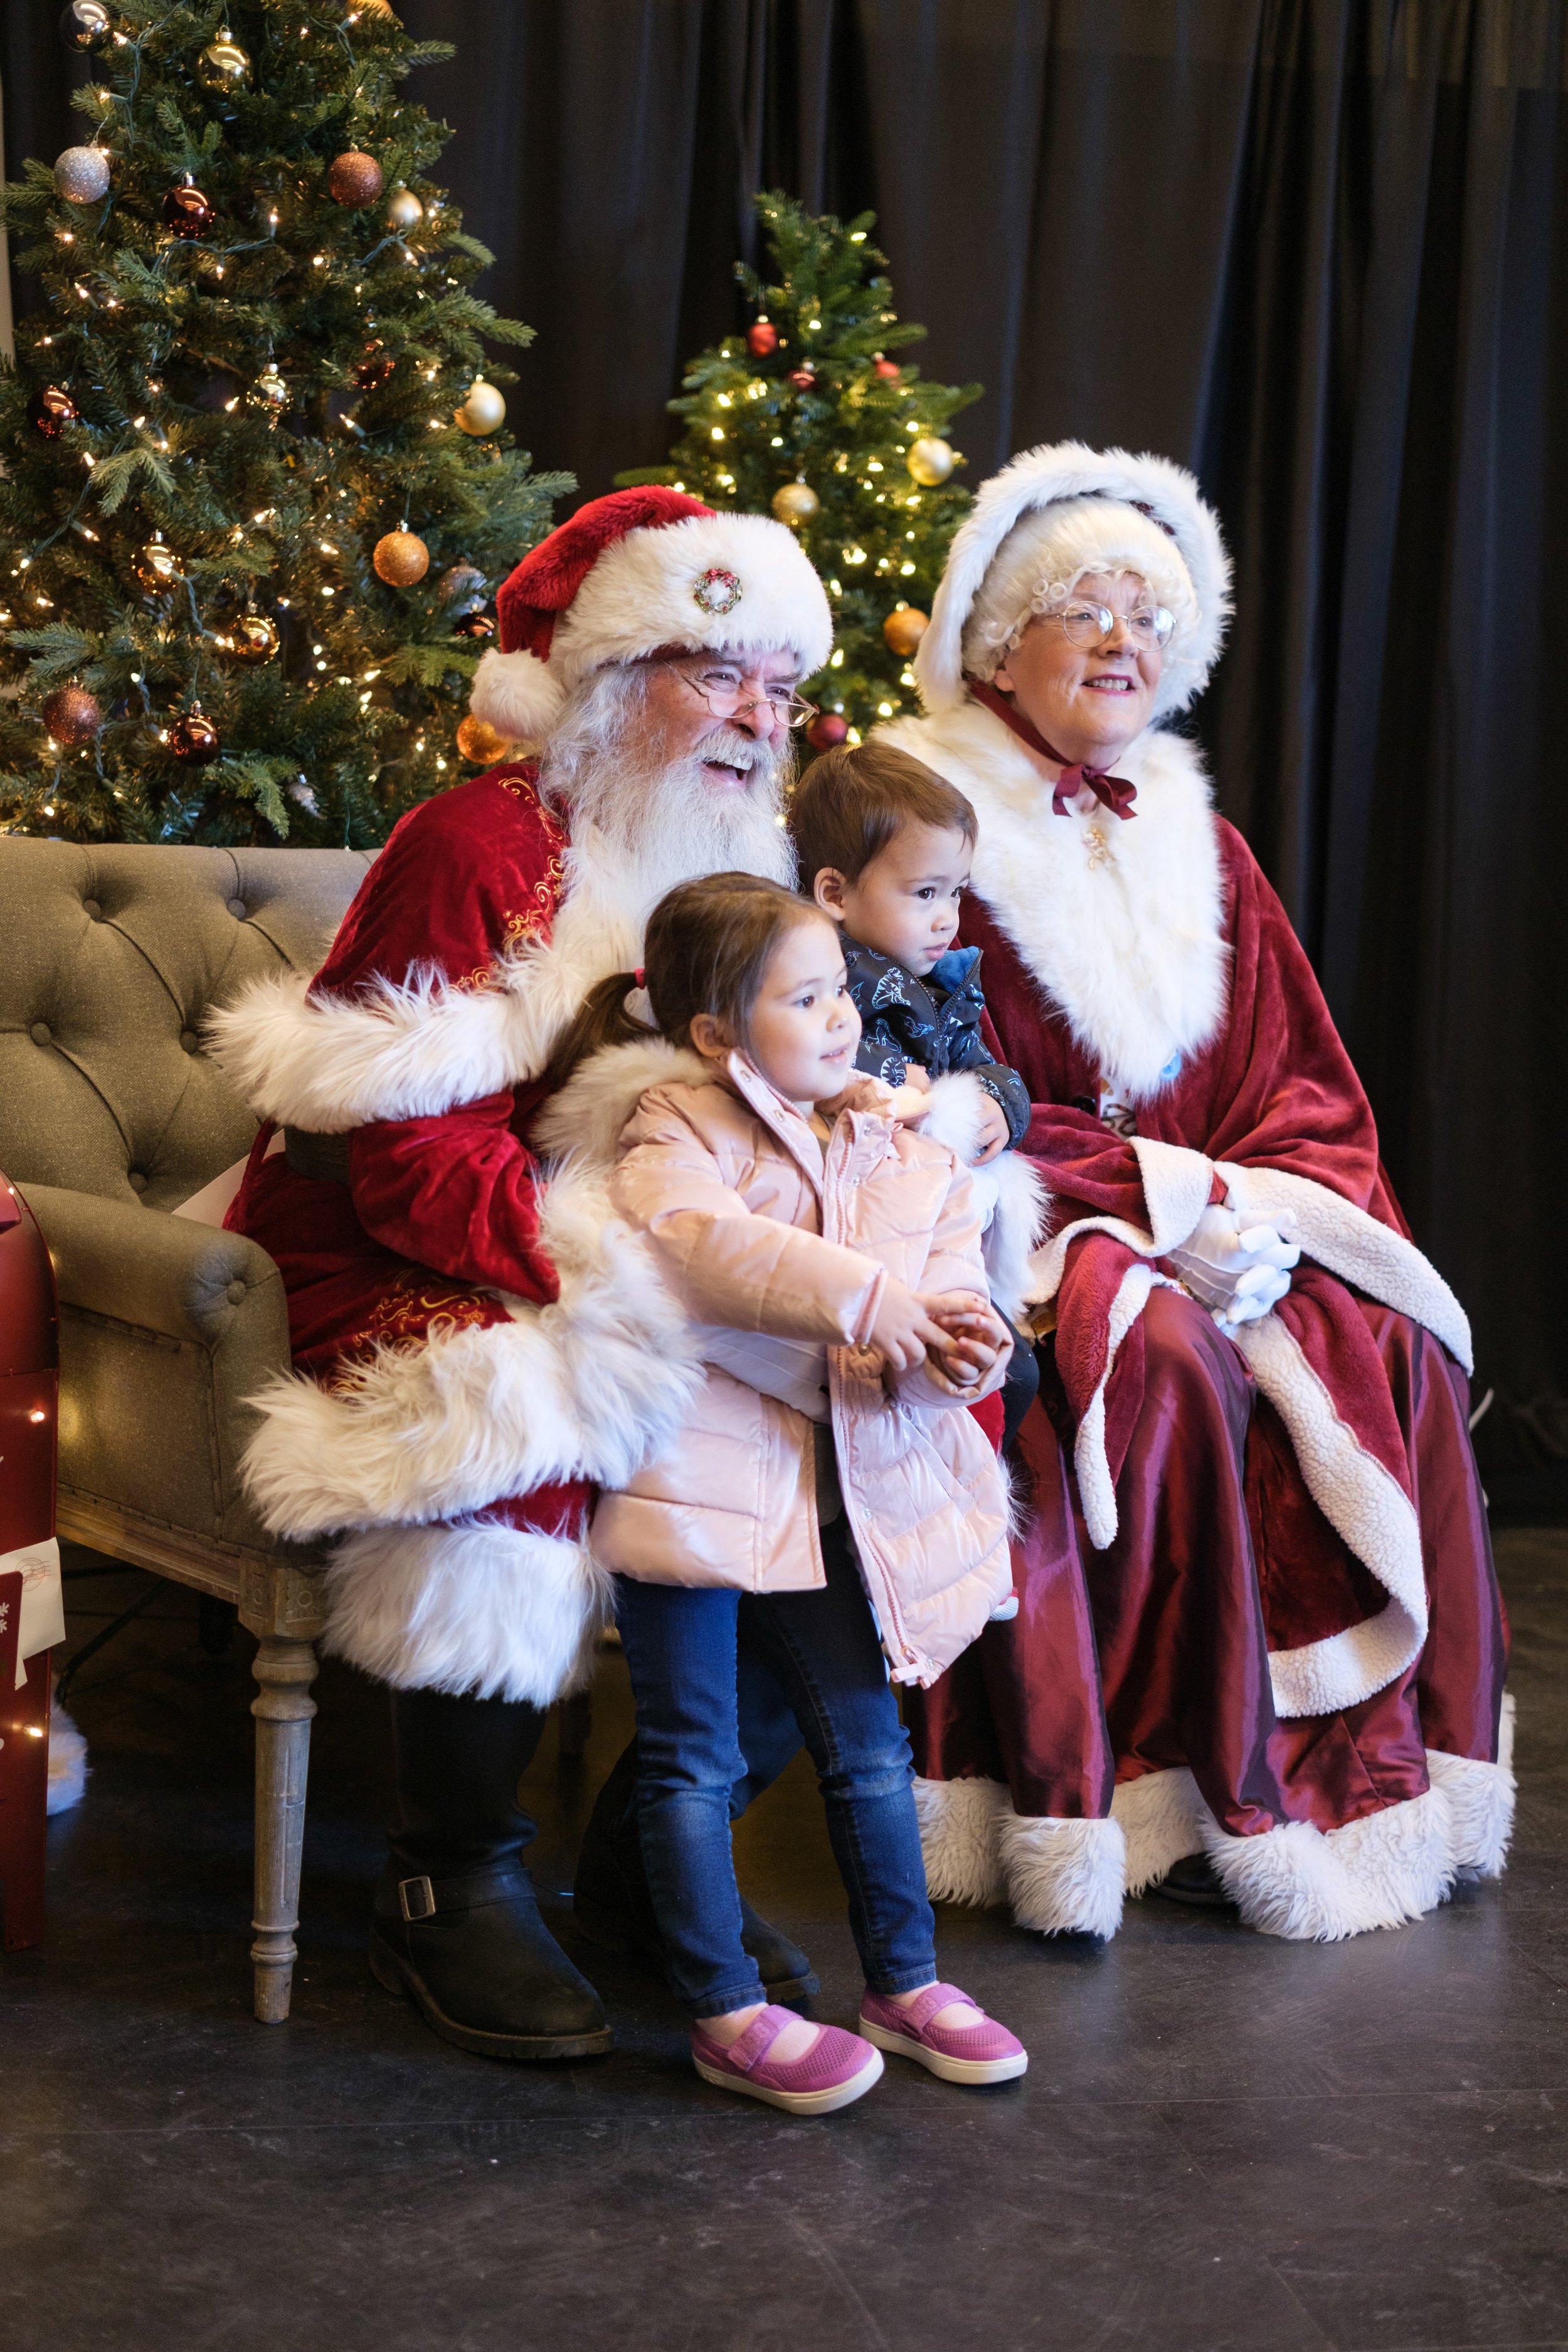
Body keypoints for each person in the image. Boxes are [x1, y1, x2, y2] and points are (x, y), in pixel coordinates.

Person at [208, 487, 839, 2059]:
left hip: (647, 1235)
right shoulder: (482, 843)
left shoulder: (756, 864)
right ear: (617, 682)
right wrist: (623, 1273)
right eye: (716, 674)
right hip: (378, 1234)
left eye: (779, 685)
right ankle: (448, 1877)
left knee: (853, 1402)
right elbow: (397, 1149)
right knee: (533, 1388)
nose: (759, 722)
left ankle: (647, 1848)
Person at [876, 441, 1512, 1941]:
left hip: (1219, 1212)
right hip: (1007, 1224)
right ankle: (1138, 1790)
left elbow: (1302, 1078)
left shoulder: (1201, 838)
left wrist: (1267, 1217)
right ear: (996, 641)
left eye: (1146, 617)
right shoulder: (923, 823)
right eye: (1082, 608)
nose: (1120, 641)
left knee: (1390, 1343)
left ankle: (1368, 1778)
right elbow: (930, 1086)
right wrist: (1154, 1203)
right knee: (1145, 1357)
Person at [537, 870, 1027, 2111]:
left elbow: (947, 1281)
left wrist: (954, 1348)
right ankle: (721, 2009)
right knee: (691, 1760)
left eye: (839, 993)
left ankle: (903, 1983)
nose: (839, 1020)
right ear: (713, 1034)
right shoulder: (673, 1128)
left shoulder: (892, 1144)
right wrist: (873, 1306)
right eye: (802, 999)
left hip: (837, 1504)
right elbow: (700, 1248)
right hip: (689, 1496)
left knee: (866, 1749)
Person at [790, 736, 1046, 1454]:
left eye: (956, 891)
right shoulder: (820, 972)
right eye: (925, 892)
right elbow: (829, 1062)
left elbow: (988, 1065)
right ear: (835, 892)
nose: (946, 916)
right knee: (984, 1375)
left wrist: (996, 1104)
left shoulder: (943, 981)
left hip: (942, 1211)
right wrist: (910, 1085)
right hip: (868, 1220)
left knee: (1010, 1375)